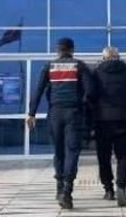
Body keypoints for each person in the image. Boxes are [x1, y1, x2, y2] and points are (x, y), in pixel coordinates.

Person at [27, 38, 92, 210]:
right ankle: (67, 192)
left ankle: (59, 187)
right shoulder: (79, 66)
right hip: (73, 113)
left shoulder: (49, 66)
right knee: (72, 151)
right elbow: (90, 90)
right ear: (72, 50)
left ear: (58, 50)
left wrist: (31, 113)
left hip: (55, 113)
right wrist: (84, 106)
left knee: (59, 151)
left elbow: (38, 90)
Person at [89, 46, 126, 207]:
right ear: (118, 57)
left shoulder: (96, 73)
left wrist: (94, 110)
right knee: (123, 156)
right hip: (123, 118)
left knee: (104, 156)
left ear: (104, 58)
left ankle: (108, 189)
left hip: (102, 119)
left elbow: (90, 94)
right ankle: (121, 186)